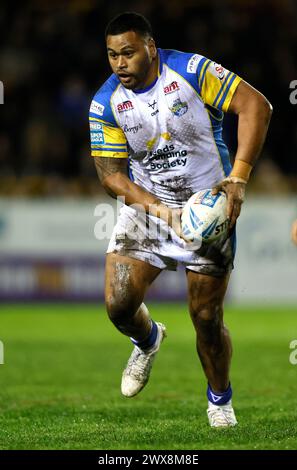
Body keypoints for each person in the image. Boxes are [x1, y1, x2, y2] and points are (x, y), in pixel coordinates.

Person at [89, 12, 272, 427]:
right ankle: (148, 339)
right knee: (118, 305)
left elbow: (255, 105)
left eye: (129, 53)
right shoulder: (106, 102)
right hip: (150, 206)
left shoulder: (191, 71)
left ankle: (220, 401)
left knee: (206, 319)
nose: (120, 63)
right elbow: (111, 176)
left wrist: (238, 178)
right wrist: (159, 210)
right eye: (113, 55)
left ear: (151, 48)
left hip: (208, 208)